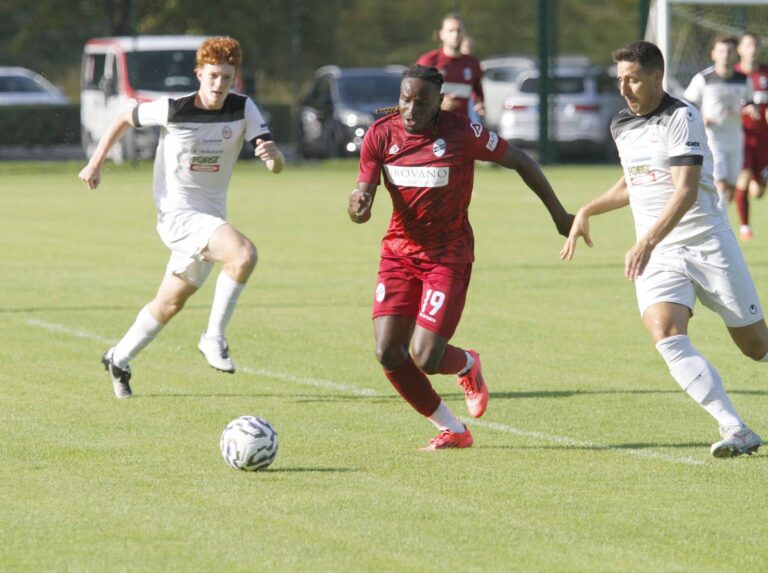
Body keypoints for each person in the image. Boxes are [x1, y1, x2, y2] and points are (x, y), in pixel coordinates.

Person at [348, 65, 572, 450]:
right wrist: (358, 205)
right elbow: (361, 195)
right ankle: (453, 428)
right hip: (399, 254)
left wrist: (559, 215)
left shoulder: (462, 132)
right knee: (388, 351)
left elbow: (519, 159)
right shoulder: (380, 135)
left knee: (426, 356)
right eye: (405, 99)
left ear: (439, 102)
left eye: (421, 101)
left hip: (447, 256)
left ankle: (466, 364)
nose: (411, 109)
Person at [561, 41, 767, 458]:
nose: (624, 89)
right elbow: (633, 182)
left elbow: (685, 190)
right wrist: (588, 209)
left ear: (657, 76)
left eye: (633, 79)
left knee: (756, 346)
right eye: (619, 80)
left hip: (706, 243)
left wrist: (645, 241)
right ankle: (735, 427)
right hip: (659, 254)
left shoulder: (682, 116)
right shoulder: (621, 124)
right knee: (667, 334)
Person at [78, 36, 284, 399]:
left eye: (227, 77)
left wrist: (273, 156)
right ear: (199, 74)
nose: (220, 85)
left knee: (169, 303)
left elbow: (274, 165)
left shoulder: (243, 107)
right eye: (213, 76)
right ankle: (213, 337)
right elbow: (124, 117)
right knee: (243, 254)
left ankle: (118, 358)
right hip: (177, 216)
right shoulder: (174, 107)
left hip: (209, 220)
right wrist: (95, 163)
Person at [683, 35, 751, 213]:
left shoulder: (744, 79)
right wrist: (700, 118)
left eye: (729, 51)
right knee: (719, 181)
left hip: (735, 137)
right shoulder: (703, 78)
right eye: (721, 51)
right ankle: (721, 222)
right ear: (714, 54)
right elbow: (686, 105)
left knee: (732, 185)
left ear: (735, 55)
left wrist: (750, 110)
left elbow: (749, 103)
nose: (725, 55)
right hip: (713, 138)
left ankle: (717, 215)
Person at [733, 32, 768, 241]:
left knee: (757, 192)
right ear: (740, 50)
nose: (752, 49)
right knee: (742, 178)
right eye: (747, 45)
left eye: (755, 45)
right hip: (741, 137)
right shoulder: (734, 75)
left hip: (764, 140)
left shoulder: (766, 73)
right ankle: (745, 228)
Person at [416, 14, 485, 119]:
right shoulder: (429, 61)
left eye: (459, 30)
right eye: (451, 31)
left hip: (461, 127)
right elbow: (414, 94)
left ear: (464, 34)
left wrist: (480, 105)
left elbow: (478, 94)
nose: (455, 35)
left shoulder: (472, 64)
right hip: (433, 126)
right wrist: (437, 103)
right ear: (441, 34)